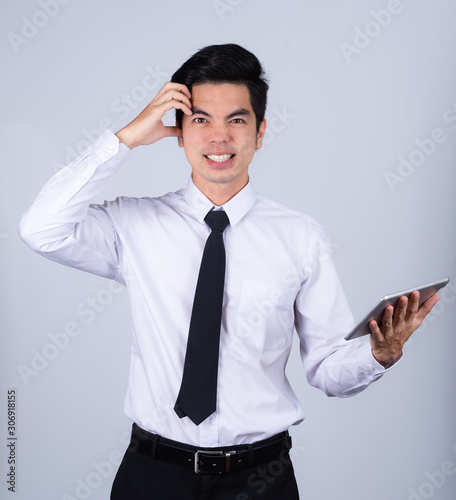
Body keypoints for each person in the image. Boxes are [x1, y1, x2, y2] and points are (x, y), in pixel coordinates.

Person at [18, 43, 439, 500]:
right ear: (179, 131)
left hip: (261, 479)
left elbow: (327, 369)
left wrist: (377, 355)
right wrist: (124, 140)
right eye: (200, 120)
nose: (219, 137)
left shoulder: (301, 237)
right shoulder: (132, 225)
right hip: (153, 475)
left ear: (260, 132)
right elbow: (40, 228)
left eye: (236, 120)